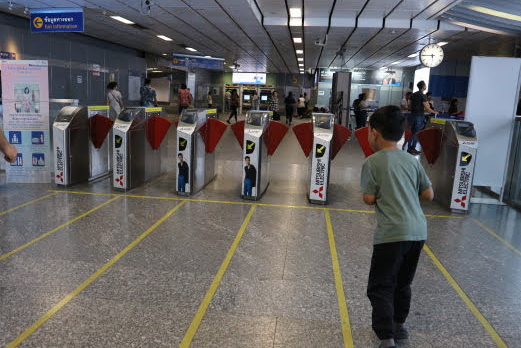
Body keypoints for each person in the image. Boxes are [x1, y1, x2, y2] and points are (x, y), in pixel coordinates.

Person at [361, 105, 434, 348]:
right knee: (403, 282)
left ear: (374, 133)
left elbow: (369, 198)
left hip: (391, 234)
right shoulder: (411, 160)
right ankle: (399, 325)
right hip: (418, 232)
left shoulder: (373, 162)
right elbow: (428, 194)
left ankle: (386, 337)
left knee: (381, 285)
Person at [407, 81, 437, 155]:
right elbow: (427, 108)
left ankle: (409, 148)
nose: (425, 86)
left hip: (412, 116)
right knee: (416, 133)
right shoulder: (422, 96)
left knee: (411, 132)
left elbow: (409, 106)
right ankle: (413, 148)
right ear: (423, 86)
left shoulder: (412, 95)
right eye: (425, 85)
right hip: (419, 116)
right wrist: (435, 112)